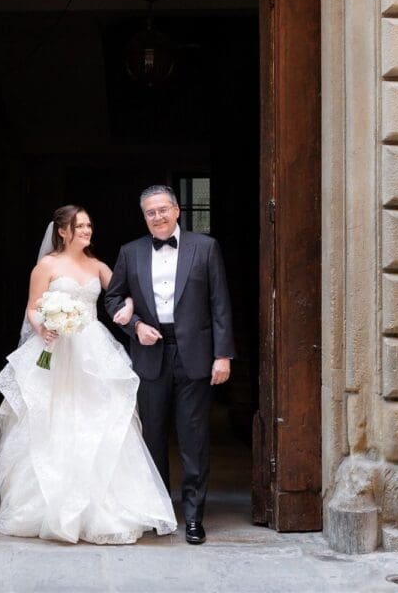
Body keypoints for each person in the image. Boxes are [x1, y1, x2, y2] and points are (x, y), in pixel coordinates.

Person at [0, 204, 177, 544]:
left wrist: (130, 309)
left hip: (93, 350)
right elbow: (32, 307)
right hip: (55, 349)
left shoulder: (98, 266)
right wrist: (43, 327)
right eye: (80, 226)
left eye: (89, 225)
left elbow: (123, 294)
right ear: (63, 231)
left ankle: (104, 508)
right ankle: (46, 507)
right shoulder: (46, 266)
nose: (87, 231)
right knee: (53, 418)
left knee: (101, 420)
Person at [105, 184, 235, 545]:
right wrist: (135, 326)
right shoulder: (130, 252)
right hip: (150, 354)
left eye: (163, 209)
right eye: (150, 212)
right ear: (144, 217)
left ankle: (193, 517)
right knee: (153, 437)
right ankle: (159, 512)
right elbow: (112, 299)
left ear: (177, 210)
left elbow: (220, 303)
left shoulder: (205, 247)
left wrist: (222, 355)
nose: (158, 217)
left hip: (195, 354)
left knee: (194, 438)